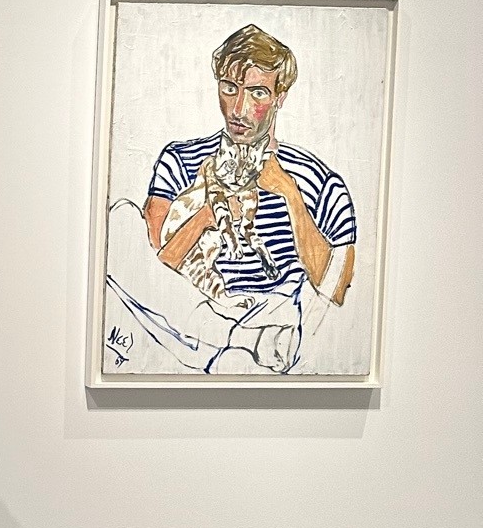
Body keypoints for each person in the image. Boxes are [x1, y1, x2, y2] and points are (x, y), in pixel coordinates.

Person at [104, 24, 357, 375]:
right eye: (229, 89)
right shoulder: (181, 160)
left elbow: (336, 289)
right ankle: (233, 341)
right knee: (117, 220)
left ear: (280, 97)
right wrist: (207, 213)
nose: (238, 108)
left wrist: (290, 194)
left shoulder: (318, 180)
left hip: (278, 316)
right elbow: (152, 270)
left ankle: (242, 346)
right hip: (190, 312)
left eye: (257, 93)